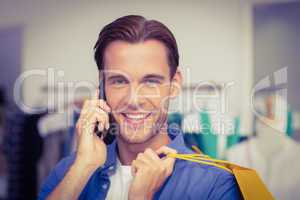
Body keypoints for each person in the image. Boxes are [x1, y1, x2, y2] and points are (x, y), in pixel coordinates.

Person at [38, 15, 242, 200]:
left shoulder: (216, 186)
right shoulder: (68, 171)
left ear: (175, 84)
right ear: (102, 86)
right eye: (119, 81)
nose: (134, 100)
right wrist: (82, 168)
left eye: (150, 81)